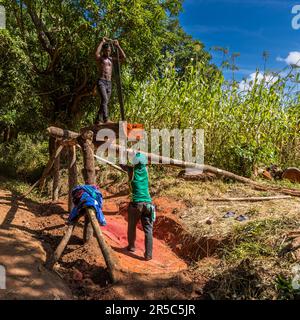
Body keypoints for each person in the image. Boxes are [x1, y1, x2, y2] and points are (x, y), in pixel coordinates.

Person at [120, 153, 156, 261]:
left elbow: (121, 164)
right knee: (148, 230)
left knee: (132, 226)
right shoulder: (146, 169)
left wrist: (123, 152)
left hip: (136, 204)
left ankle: (131, 247)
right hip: (148, 204)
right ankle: (148, 255)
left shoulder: (131, 170)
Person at [95, 37, 126, 124]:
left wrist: (118, 46)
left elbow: (123, 57)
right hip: (101, 81)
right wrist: (102, 42)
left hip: (109, 83)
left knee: (105, 102)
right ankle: (106, 119)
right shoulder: (101, 58)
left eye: (109, 50)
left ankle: (97, 120)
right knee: (104, 100)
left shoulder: (111, 59)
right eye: (106, 50)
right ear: (104, 51)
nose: (108, 52)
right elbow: (96, 53)